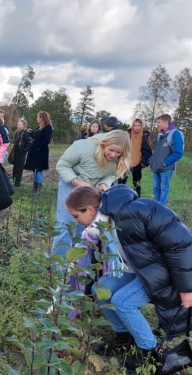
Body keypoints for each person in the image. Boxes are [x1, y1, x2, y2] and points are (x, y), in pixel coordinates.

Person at [65, 185, 192, 371]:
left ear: (90, 210)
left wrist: (187, 287)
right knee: (100, 290)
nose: (76, 221)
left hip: (160, 272)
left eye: (76, 216)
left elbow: (180, 245)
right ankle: (124, 338)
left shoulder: (134, 212)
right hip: (139, 270)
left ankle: (149, 353)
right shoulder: (101, 223)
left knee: (123, 301)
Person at [51, 131, 131, 257]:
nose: (113, 155)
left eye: (118, 152)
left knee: (84, 224)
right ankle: (59, 265)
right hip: (71, 184)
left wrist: (104, 183)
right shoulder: (83, 147)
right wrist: (76, 182)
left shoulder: (118, 160)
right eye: (111, 150)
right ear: (104, 144)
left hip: (90, 188)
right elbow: (62, 165)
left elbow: (111, 175)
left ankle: (75, 261)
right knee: (67, 223)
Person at [149, 114, 184, 205]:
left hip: (166, 168)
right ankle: (154, 207)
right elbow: (156, 151)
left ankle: (161, 209)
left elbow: (178, 153)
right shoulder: (159, 135)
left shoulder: (175, 134)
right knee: (155, 188)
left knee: (164, 189)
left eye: (158, 122)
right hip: (156, 167)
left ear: (166, 122)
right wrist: (152, 161)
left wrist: (165, 163)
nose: (157, 124)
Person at [116, 118, 152, 197]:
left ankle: (136, 198)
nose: (137, 127)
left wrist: (144, 162)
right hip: (126, 162)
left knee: (137, 183)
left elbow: (148, 150)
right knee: (121, 182)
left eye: (139, 125)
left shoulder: (145, 136)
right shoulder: (127, 134)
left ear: (142, 126)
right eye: (135, 125)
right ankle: (119, 197)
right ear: (132, 125)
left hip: (138, 162)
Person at [24, 111, 53, 195]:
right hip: (34, 151)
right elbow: (36, 138)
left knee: (39, 170)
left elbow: (46, 140)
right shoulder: (39, 127)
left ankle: (37, 190)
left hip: (41, 152)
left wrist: (39, 149)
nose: (36, 119)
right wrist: (31, 133)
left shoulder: (48, 127)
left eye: (38, 117)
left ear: (42, 118)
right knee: (35, 169)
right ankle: (34, 188)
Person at [10, 119, 32, 188]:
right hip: (16, 153)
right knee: (15, 168)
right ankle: (14, 181)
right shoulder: (17, 133)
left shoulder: (25, 133)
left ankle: (17, 184)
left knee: (19, 169)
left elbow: (29, 143)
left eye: (19, 124)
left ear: (24, 125)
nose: (18, 126)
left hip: (21, 155)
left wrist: (23, 151)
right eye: (17, 124)